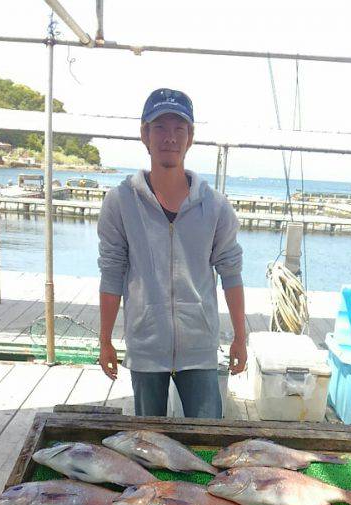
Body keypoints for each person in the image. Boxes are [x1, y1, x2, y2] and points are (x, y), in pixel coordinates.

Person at [98, 87, 247, 417]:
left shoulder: (216, 206)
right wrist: (105, 339)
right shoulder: (120, 202)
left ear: (190, 137)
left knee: (209, 441)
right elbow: (111, 271)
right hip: (145, 346)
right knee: (147, 444)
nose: (170, 137)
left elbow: (231, 273)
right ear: (144, 134)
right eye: (160, 127)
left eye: (179, 128)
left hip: (200, 347)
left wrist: (240, 337)